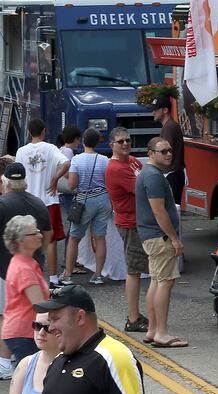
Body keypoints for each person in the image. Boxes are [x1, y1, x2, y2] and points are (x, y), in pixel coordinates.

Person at [33, 285, 147, 394]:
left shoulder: (113, 356)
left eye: (55, 319)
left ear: (80, 317)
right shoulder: (57, 362)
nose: (50, 328)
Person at [0, 162, 51, 381]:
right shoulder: (37, 202)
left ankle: (4, 361)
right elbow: (48, 231)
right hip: (29, 265)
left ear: (4, 181)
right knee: (24, 311)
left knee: (3, 314)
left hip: (4, 268)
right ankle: (10, 355)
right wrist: (40, 251)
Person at [136, 137, 187, 348]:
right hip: (160, 237)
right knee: (165, 282)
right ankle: (161, 333)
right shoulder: (153, 176)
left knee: (157, 281)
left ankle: (152, 330)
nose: (168, 154)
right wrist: (174, 238)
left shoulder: (150, 174)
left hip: (152, 236)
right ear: (151, 153)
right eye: (163, 151)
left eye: (169, 150)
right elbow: (159, 211)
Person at [104, 126, 150, 332]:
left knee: (140, 270)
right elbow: (144, 188)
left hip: (139, 221)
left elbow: (145, 179)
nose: (125, 144)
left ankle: (137, 315)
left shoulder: (132, 162)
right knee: (134, 271)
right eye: (120, 141)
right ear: (111, 145)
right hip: (130, 223)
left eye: (128, 140)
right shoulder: (116, 169)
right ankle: (133, 318)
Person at [15, 118, 69, 287]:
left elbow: (17, 173)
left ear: (29, 132)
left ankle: (30, 277)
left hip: (28, 200)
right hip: (48, 200)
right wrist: (55, 178)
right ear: (44, 131)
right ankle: (53, 279)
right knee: (50, 240)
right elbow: (66, 163)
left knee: (28, 239)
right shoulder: (51, 148)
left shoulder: (22, 151)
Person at [62, 128, 111, 285]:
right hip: (103, 199)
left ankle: (68, 274)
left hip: (84, 200)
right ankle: (97, 275)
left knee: (74, 238)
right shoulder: (105, 160)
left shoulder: (77, 160)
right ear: (97, 142)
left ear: (83, 141)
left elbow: (72, 185)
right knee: (100, 237)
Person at [1, 215, 49, 361]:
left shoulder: (27, 262)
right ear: (20, 240)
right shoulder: (24, 268)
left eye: (38, 231)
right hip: (24, 333)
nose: (40, 235)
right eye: (34, 233)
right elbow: (40, 306)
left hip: (23, 331)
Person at [7, 312, 59, 394]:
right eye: (36, 325)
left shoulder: (77, 367)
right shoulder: (25, 365)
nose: (41, 332)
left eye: (47, 327)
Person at [152, 95, 185, 205]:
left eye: (156, 110)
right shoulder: (169, 126)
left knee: (171, 211)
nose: (153, 113)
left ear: (165, 110)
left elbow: (164, 153)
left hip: (172, 175)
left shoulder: (169, 127)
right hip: (174, 174)